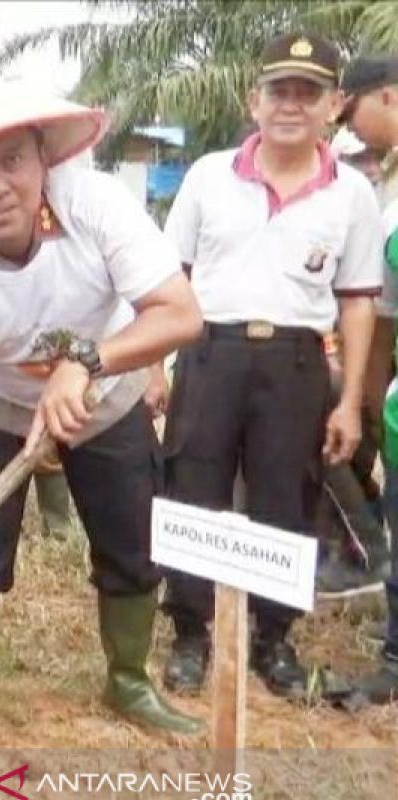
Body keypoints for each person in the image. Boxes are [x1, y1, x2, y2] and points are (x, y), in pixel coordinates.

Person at [0, 74, 205, 761]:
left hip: (107, 398)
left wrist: (87, 361)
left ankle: (127, 679)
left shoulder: (98, 207)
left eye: (13, 161)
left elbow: (180, 312)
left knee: (131, 541)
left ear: (42, 160)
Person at [160, 34, 383, 699]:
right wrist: (153, 366)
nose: (291, 105)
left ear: (334, 105)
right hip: (209, 351)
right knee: (192, 489)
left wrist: (347, 404)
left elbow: (358, 302)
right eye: (278, 91)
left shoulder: (352, 195)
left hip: (295, 364)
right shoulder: (207, 176)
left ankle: (273, 636)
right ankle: (190, 633)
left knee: (287, 496)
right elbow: (173, 278)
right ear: (253, 100)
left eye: (308, 93)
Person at [340, 53, 398, 703]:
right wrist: (368, 411)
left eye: (354, 112)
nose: (353, 129)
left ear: (387, 97)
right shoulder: (389, 210)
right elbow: (381, 323)